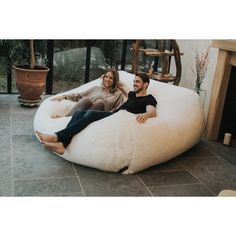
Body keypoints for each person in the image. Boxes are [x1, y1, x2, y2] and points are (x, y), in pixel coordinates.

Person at [36, 72, 157, 155]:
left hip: (119, 118)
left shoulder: (149, 99)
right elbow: (121, 84)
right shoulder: (132, 94)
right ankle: (62, 145)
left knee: (92, 114)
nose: (135, 84)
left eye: (138, 82)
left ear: (145, 84)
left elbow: (152, 111)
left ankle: (57, 136)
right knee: (79, 113)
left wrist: (146, 115)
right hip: (114, 114)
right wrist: (105, 77)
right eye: (134, 81)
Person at [51, 68, 124, 117]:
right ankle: (67, 117)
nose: (107, 79)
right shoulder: (96, 88)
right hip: (87, 112)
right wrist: (64, 96)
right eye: (106, 77)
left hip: (100, 114)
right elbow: (80, 95)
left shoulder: (118, 94)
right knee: (86, 100)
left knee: (100, 103)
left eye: (111, 78)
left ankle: (80, 119)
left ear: (115, 80)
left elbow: (119, 109)